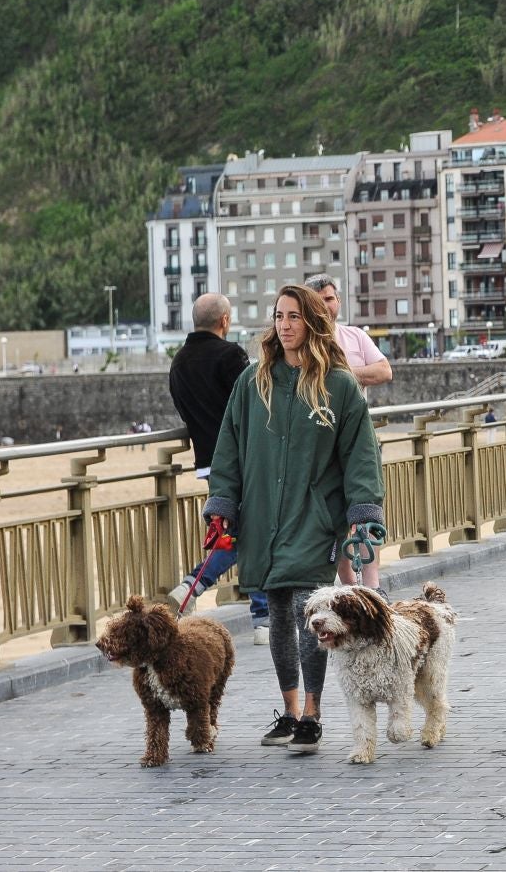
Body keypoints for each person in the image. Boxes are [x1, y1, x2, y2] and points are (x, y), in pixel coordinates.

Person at [204, 284, 385, 754]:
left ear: (312, 322)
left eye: (293, 316)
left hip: (314, 516)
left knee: (313, 612)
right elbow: (228, 449)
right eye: (278, 316)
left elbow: (360, 456)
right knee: (279, 613)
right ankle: (288, 711)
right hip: (263, 515)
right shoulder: (253, 382)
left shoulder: (339, 386)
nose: (284, 325)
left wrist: (362, 515)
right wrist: (222, 507)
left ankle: (313, 713)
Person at [165, 294, 270, 643]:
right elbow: (256, 401)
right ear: (224, 320)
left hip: (209, 462)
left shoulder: (178, 362)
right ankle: (198, 584)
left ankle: (261, 614)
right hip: (244, 459)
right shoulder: (231, 355)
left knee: (237, 532)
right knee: (251, 534)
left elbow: (185, 410)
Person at [303, 275, 391, 594]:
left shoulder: (354, 336)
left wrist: (347, 376)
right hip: (319, 442)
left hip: (357, 438)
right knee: (333, 516)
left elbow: (384, 370)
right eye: (319, 299)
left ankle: (373, 585)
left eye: (331, 298)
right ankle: (349, 585)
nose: (327, 304)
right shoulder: (303, 341)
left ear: (338, 302)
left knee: (366, 508)